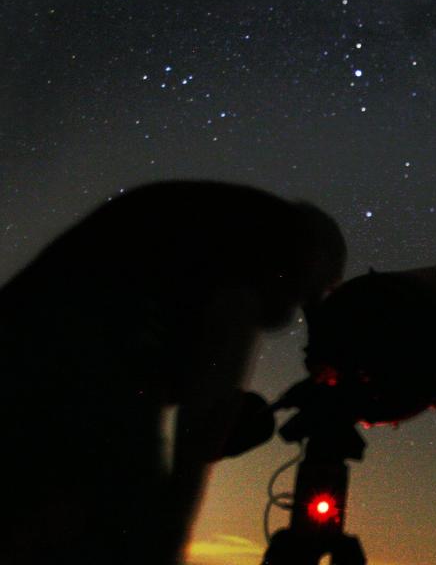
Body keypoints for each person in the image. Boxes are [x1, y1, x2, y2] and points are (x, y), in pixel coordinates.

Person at [0, 181, 346, 565]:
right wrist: (170, 530)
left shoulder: (216, 224)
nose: (297, 309)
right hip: (65, 365)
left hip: (30, 350)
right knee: (121, 525)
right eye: (306, 294)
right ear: (309, 260)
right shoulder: (266, 244)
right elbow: (203, 412)